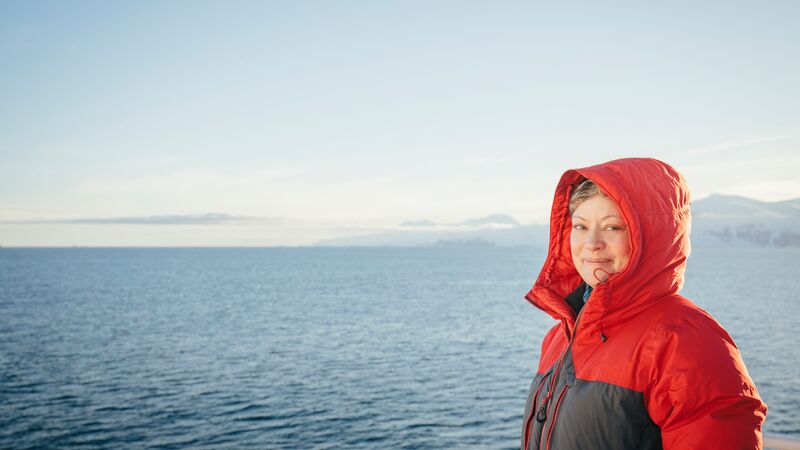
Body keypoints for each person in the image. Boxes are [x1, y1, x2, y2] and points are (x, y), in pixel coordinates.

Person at [520, 158, 766, 450]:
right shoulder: (560, 337)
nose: (592, 243)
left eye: (613, 228)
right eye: (581, 226)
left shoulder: (686, 341)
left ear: (652, 238)